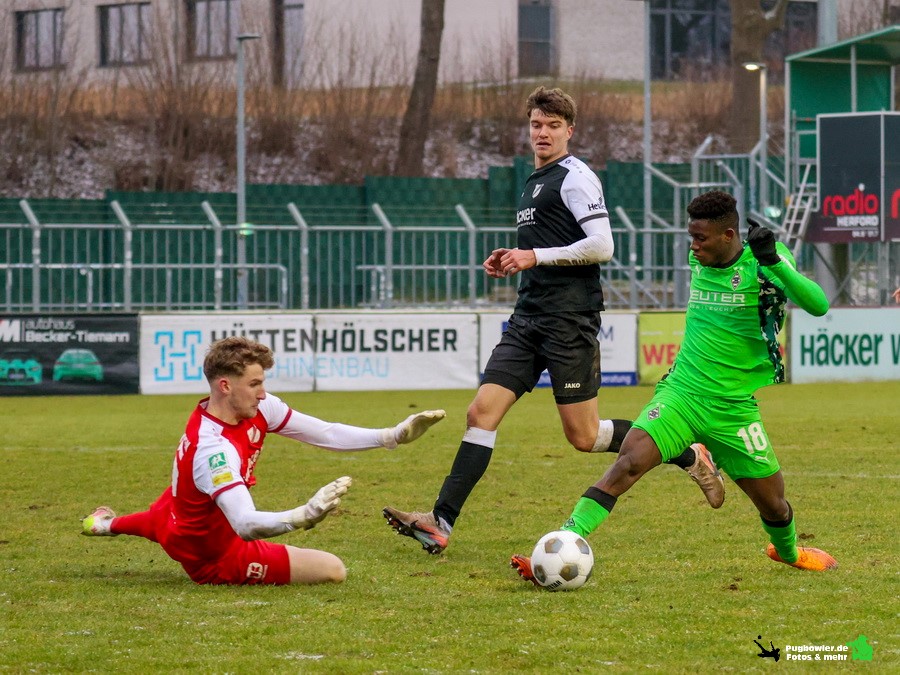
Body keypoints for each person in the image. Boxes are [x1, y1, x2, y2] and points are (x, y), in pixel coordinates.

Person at [383, 86, 724, 556]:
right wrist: (514, 258)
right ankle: (441, 521)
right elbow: (546, 247)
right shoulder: (533, 181)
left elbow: (602, 245)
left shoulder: (575, 177)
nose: (542, 133)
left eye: (553, 125)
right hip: (528, 318)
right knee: (481, 413)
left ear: (570, 130)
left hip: (569, 320)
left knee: (584, 436)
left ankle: (687, 453)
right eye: (536, 124)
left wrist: (534, 255)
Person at [512, 190, 838, 581]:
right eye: (691, 237)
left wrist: (773, 262)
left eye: (701, 238)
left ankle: (789, 552)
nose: (693, 247)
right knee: (628, 463)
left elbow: (818, 304)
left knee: (774, 505)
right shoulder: (701, 258)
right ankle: (563, 542)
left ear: (729, 235)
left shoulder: (766, 262)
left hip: (733, 408)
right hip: (681, 394)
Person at [81, 336, 445, 585]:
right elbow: (244, 524)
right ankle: (106, 524)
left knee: (148, 521)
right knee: (333, 569)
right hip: (212, 551)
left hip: (173, 512)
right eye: (254, 384)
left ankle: (100, 524)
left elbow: (325, 433)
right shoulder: (213, 449)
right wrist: (303, 515)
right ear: (225, 386)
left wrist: (391, 436)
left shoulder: (257, 408)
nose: (263, 392)